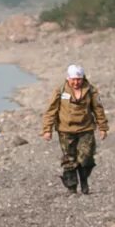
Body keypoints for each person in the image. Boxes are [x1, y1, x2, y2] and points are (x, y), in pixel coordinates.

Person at [39, 63, 109, 193]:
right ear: (68, 79)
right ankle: (71, 186)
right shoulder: (60, 90)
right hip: (65, 130)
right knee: (69, 159)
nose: (76, 82)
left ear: (83, 78)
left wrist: (103, 127)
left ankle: (84, 181)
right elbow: (51, 110)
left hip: (86, 129)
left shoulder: (91, 90)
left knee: (86, 157)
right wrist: (47, 130)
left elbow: (98, 109)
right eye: (73, 80)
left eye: (79, 79)